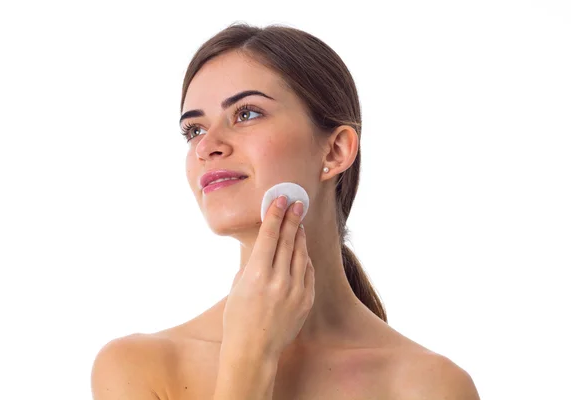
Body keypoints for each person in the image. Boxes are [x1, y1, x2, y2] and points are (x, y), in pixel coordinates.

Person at [91, 23, 480, 399]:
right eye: (193, 130)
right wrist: (250, 358)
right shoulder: (138, 368)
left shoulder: (432, 387)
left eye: (246, 113)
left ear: (335, 151)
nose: (205, 146)